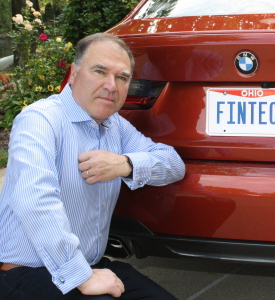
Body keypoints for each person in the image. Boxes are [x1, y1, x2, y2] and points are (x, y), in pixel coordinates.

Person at [0, 32, 185, 299]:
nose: (112, 85)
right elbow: (35, 201)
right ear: (74, 74)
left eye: (122, 77)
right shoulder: (39, 120)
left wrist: (126, 164)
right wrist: (81, 276)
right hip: (28, 273)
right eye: (100, 71)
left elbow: (173, 163)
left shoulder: (115, 126)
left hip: (90, 266)